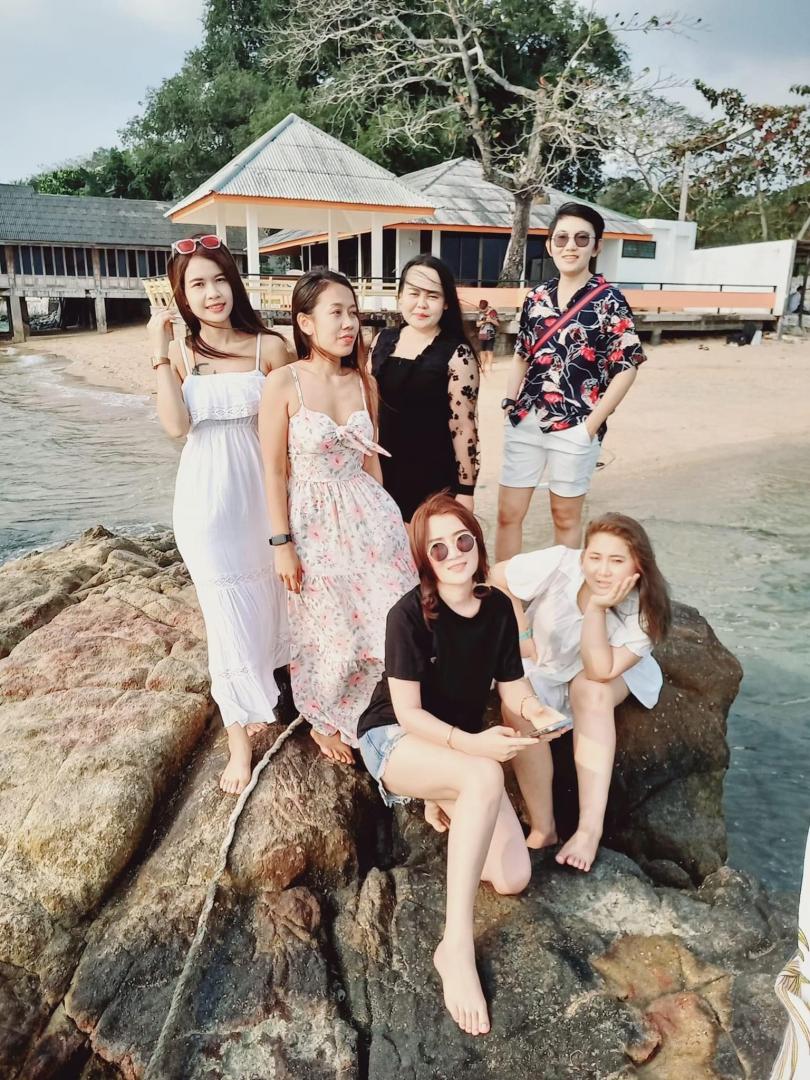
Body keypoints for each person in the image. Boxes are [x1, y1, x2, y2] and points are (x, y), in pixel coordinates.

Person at [356, 492, 570, 1036]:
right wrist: (472, 746)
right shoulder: (407, 616)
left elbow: (514, 688)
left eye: (463, 540)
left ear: (477, 543)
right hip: (394, 738)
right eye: (438, 548)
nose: (453, 554)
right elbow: (407, 713)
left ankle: (445, 793)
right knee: (484, 773)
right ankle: (455, 947)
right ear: (424, 558)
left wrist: (537, 712)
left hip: (453, 750)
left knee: (513, 877)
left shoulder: (495, 608)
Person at [146, 234, 291, 796]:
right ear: (182, 295)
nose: (212, 293)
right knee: (225, 616)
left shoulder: (269, 348)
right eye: (197, 284)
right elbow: (175, 427)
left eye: (220, 279)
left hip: (264, 494)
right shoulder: (182, 356)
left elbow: (290, 429)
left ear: (235, 283)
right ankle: (238, 742)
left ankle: (279, 694)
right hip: (206, 503)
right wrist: (160, 353)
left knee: (280, 595)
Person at [259, 269, 416, 764]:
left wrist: (394, 527)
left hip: (369, 515)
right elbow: (273, 470)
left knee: (392, 615)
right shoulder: (283, 383)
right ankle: (323, 716)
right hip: (312, 522)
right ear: (306, 322)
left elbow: (371, 463)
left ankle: (382, 710)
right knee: (330, 630)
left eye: (353, 312)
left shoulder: (363, 381)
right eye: (336, 313)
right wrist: (281, 542)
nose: (349, 323)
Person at [491, 512, 671, 873]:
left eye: (616, 561)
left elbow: (600, 668)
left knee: (590, 691)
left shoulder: (645, 611)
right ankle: (543, 827)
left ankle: (589, 830)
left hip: (605, 668)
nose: (602, 571)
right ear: (583, 555)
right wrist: (522, 630)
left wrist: (596, 608)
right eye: (595, 557)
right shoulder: (560, 563)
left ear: (638, 565)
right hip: (545, 663)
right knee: (518, 706)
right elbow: (497, 576)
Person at [496, 203, 645, 559]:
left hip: (577, 423)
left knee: (564, 517)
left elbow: (628, 365)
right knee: (507, 514)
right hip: (526, 418)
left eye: (581, 238)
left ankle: (562, 591)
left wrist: (590, 427)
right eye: (561, 238)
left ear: (596, 247)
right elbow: (522, 353)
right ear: (550, 245)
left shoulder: (609, 300)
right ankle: (503, 589)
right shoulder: (536, 298)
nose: (570, 246)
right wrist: (509, 401)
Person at [371, 254, 479, 523]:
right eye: (414, 293)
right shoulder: (382, 341)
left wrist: (466, 490)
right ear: (400, 297)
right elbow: (366, 406)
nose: (421, 304)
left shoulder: (457, 353)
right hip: (381, 472)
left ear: (446, 303)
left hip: (433, 475)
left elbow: (463, 426)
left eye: (432, 296)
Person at [475, 298, 499, 374]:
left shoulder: (493, 312)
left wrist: (491, 320)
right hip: (482, 333)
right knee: (482, 351)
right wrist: (483, 321)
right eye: (482, 309)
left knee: (489, 351)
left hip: (490, 333)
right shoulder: (480, 313)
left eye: (484, 309)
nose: (483, 310)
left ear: (487, 306)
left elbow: (498, 324)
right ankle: (482, 366)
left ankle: (490, 368)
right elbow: (477, 325)